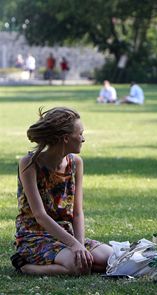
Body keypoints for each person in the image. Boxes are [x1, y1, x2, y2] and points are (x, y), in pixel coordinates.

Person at [10, 107, 113, 275]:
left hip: (66, 234)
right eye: (80, 134)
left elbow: (77, 213)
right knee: (76, 266)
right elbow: (39, 215)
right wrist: (74, 247)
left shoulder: (76, 163)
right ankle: (25, 266)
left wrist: (79, 245)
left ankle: (72, 260)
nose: (83, 139)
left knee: (111, 259)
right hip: (35, 236)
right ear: (66, 138)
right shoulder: (29, 163)